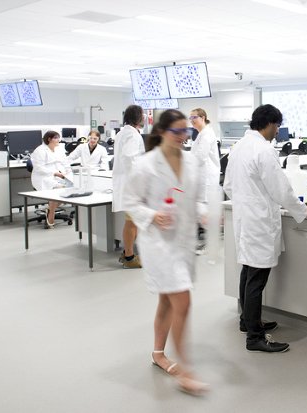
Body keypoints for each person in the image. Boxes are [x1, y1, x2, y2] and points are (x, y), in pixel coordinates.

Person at [223, 104, 307, 353]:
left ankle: (247, 322)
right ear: (268, 124)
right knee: (256, 279)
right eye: (277, 126)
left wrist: (249, 201)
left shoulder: (238, 148)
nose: (278, 132)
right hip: (258, 222)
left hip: (246, 219)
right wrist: (306, 211)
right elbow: (281, 190)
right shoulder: (263, 150)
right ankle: (255, 337)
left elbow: (227, 185)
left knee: (248, 272)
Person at [123, 109, 208, 396]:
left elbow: (195, 198)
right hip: (159, 243)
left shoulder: (192, 161)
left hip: (182, 241)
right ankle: (186, 371)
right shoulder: (145, 165)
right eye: (178, 132)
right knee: (182, 302)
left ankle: (159, 354)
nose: (184, 137)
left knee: (168, 301)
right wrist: (151, 214)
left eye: (187, 131)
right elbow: (130, 201)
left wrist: (204, 213)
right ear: (161, 132)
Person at [113, 105, 146, 268]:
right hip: (131, 184)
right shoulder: (132, 134)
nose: (145, 118)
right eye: (143, 115)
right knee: (133, 221)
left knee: (134, 220)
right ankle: (129, 257)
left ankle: (127, 253)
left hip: (126, 182)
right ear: (137, 117)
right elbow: (129, 158)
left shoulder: (123, 132)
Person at [189, 108, 221, 254]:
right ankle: (206, 244)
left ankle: (210, 245)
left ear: (202, 118)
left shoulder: (207, 134)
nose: (192, 120)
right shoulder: (202, 134)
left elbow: (200, 156)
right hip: (202, 178)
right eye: (190, 118)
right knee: (202, 213)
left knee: (206, 213)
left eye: (194, 117)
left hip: (207, 179)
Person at [30, 130, 72, 229]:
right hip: (43, 176)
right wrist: (55, 173)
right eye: (56, 138)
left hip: (59, 174)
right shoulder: (40, 150)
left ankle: (50, 209)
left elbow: (65, 162)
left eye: (59, 138)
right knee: (56, 188)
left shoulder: (59, 149)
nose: (58, 140)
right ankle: (51, 214)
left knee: (71, 186)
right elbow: (39, 168)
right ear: (49, 139)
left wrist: (68, 170)